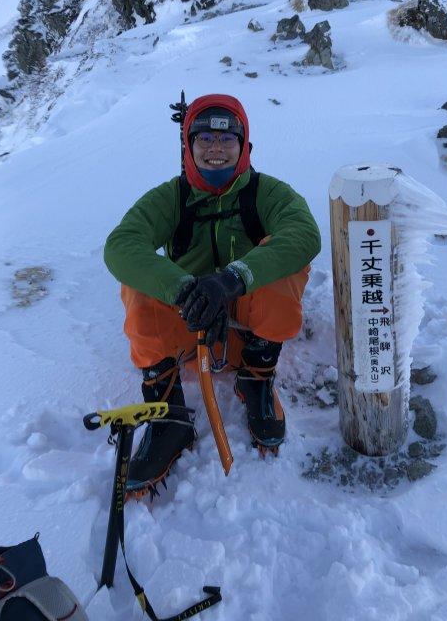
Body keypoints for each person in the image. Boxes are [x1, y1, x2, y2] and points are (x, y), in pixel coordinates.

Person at [104, 94, 321, 497]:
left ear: (245, 146)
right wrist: (185, 289)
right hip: (190, 329)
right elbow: (121, 246)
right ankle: (168, 411)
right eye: (204, 139)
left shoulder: (268, 193)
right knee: (138, 280)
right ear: (188, 147)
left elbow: (303, 235)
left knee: (285, 263)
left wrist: (232, 279)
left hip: (246, 333)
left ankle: (256, 378)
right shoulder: (171, 197)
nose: (216, 150)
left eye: (227, 140)